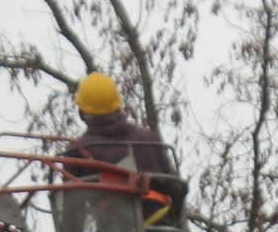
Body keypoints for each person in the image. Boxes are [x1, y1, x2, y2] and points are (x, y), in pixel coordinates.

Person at [62, 72, 186, 224]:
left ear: (82, 112)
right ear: (118, 105)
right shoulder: (148, 138)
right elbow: (176, 189)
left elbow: (72, 212)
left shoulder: (78, 151)